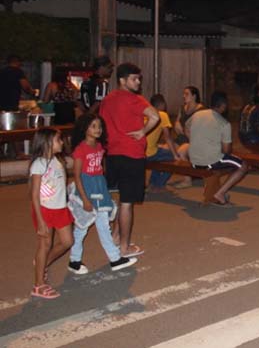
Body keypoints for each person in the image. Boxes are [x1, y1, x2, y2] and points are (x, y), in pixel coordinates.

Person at [99, 62, 160, 259]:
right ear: (122, 80)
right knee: (127, 202)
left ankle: (116, 237)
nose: (138, 82)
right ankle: (124, 248)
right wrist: (143, 132)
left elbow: (102, 126)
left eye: (139, 79)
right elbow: (155, 116)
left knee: (122, 198)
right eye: (134, 79)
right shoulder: (135, 99)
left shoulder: (107, 100)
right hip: (131, 154)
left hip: (113, 154)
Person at [68, 114, 137, 274]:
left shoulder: (99, 146)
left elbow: (100, 169)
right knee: (82, 227)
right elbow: (77, 176)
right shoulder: (80, 149)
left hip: (99, 189)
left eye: (99, 126)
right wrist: (84, 199)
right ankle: (74, 260)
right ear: (84, 128)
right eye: (93, 126)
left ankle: (114, 258)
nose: (97, 129)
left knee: (103, 225)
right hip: (87, 190)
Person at [28, 127, 73, 299]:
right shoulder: (39, 164)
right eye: (58, 140)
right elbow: (34, 194)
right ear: (47, 143)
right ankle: (38, 285)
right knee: (44, 245)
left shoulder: (57, 160)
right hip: (45, 210)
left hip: (60, 208)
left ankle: (42, 263)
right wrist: (40, 220)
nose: (61, 142)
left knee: (67, 241)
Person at [186, 91, 249, 206]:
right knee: (243, 165)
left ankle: (218, 192)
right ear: (223, 106)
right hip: (210, 162)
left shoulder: (197, 114)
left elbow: (186, 127)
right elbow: (226, 151)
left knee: (227, 160)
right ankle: (220, 193)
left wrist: (195, 140)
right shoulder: (224, 123)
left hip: (193, 160)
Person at [146, 94, 184, 191]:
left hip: (139, 152)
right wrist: (175, 155)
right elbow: (168, 138)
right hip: (150, 154)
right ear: (162, 104)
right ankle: (158, 184)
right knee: (171, 158)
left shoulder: (145, 114)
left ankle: (152, 183)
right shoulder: (162, 115)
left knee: (160, 154)